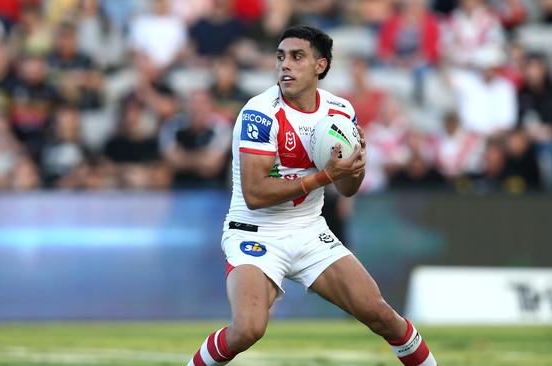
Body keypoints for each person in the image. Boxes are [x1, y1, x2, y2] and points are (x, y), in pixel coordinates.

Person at [186, 25, 437, 366]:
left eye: (296, 56)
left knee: (382, 315)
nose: (285, 65)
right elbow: (255, 193)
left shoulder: (340, 111)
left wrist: (355, 167)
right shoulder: (259, 112)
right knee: (247, 329)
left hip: (309, 231)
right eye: (280, 57)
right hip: (254, 233)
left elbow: (347, 188)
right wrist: (324, 176)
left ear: (320, 65)